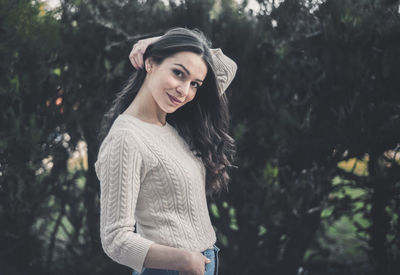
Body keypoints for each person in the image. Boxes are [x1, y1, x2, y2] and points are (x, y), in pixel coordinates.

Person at [94, 27, 237, 275]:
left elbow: (227, 67)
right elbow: (115, 239)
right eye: (178, 73)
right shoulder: (127, 138)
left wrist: (159, 42)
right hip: (171, 269)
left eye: (194, 84)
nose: (184, 91)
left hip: (202, 261)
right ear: (150, 64)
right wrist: (184, 261)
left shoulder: (173, 123)